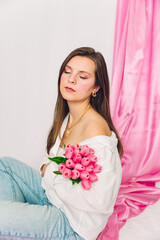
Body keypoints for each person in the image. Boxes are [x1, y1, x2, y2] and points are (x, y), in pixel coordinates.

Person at [0, 47, 123, 240]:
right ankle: (18, 222)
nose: (71, 79)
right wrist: (50, 171)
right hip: (53, 199)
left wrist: (51, 173)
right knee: (5, 165)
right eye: (67, 71)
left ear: (96, 87)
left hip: (73, 224)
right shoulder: (69, 117)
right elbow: (49, 162)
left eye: (82, 77)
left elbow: (101, 201)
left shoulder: (95, 131)